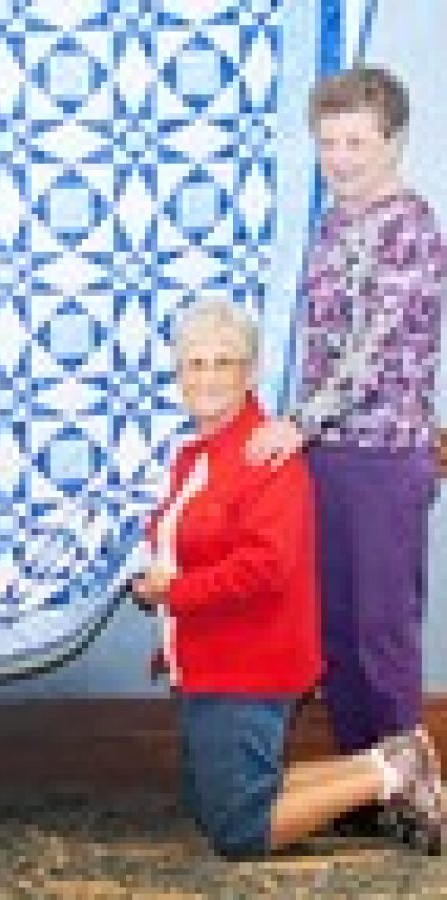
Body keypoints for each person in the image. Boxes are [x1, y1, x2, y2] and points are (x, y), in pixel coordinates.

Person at [132, 300, 444, 859]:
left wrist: (172, 592)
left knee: (238, 832)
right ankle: (392, 761)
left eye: (222, 363)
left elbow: (265, 567)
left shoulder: (265, 456)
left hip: (250, 666)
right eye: (194, 364)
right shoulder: (195, 455)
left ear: (250, 372)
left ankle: (385, 772)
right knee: (213, 806)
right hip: (211, 661)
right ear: (178, 374)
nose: (206, 378)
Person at [245, 68, 445, 835]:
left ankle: (415, 795)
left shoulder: (410, 227)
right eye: (328, 141)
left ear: (393, 140)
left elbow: (374, 349)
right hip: (327, 453)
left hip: (384, 456)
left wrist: (299, 421)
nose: (341, 156)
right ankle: (364, 783)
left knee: (382, 631)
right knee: (334, 630)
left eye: (356, 141)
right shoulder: (333, 224)